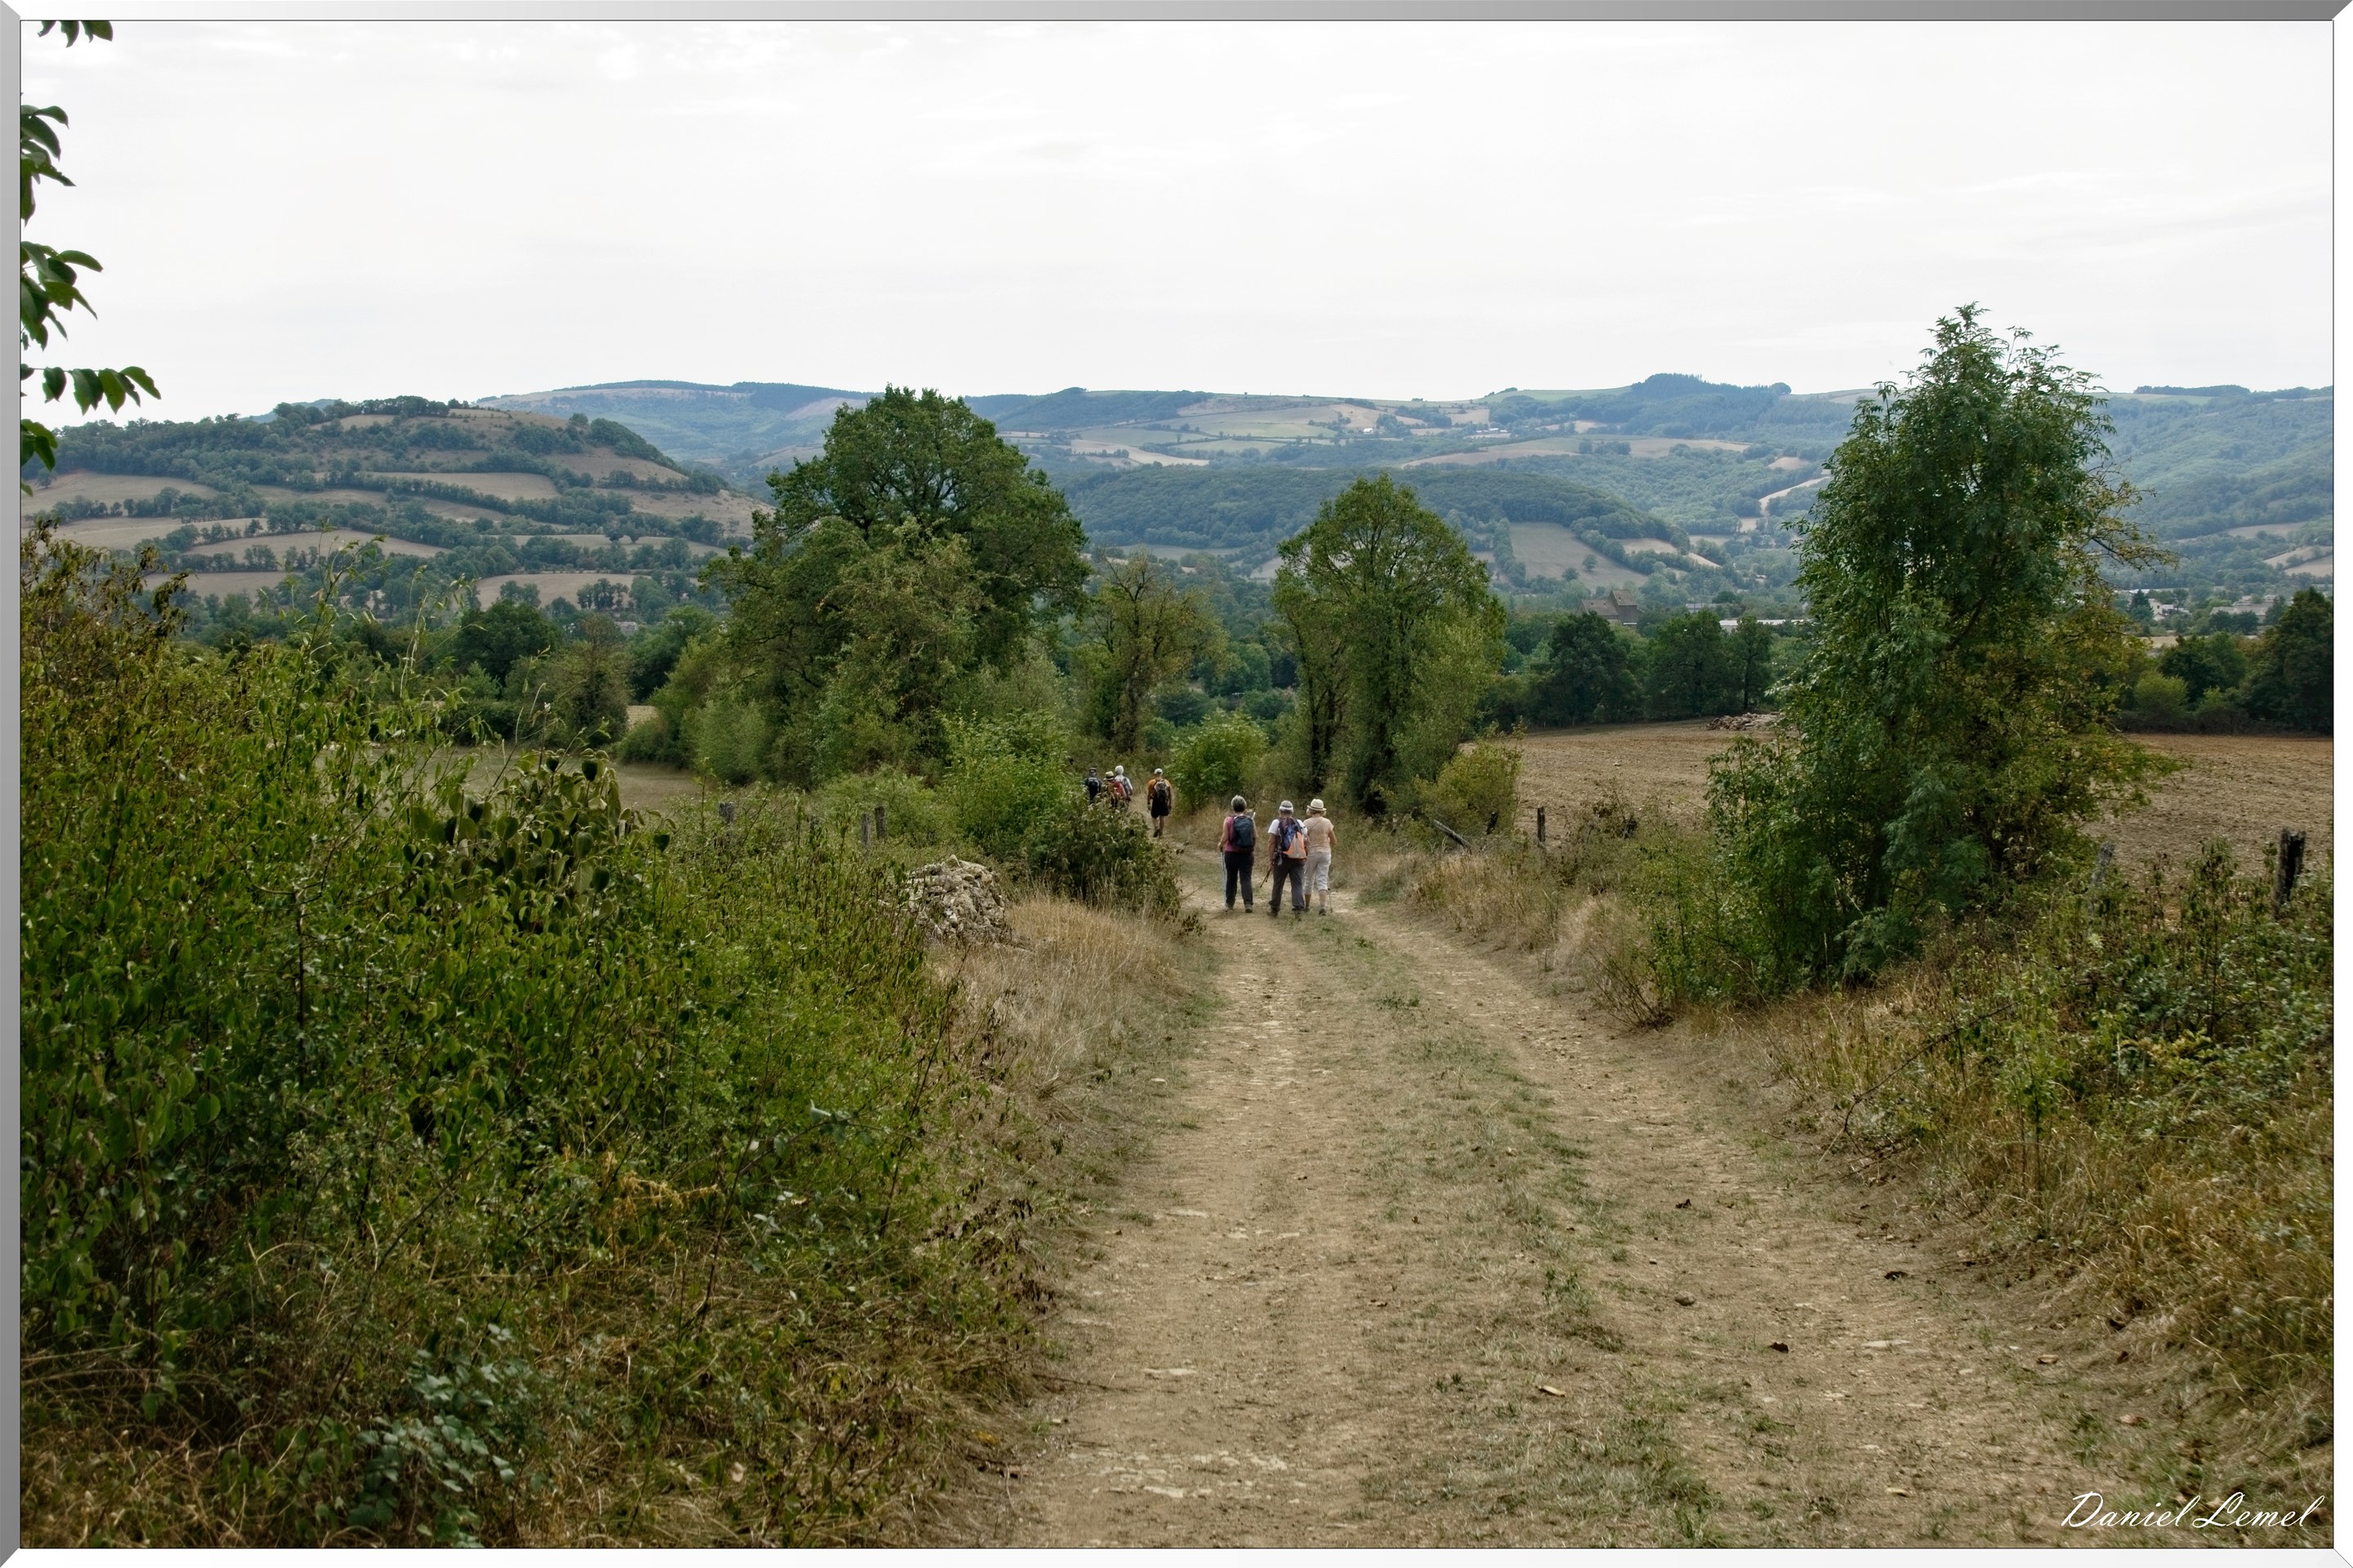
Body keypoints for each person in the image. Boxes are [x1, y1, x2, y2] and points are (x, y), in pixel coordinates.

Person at [1266, 799, 1307, 918]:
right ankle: (1298, 910)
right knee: (1297, 884)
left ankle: (1274, 909)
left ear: (1280, 811)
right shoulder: (1299, 822)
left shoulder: (1276, 823)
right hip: (1298, 858)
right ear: (1292, 811)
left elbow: (1271, 842)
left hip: (1282, 858)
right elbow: (1306, 839)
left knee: (1278, 884)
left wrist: (1271, 860)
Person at [1220, 795, 1257, 911]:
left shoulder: (1228, 820)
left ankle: (1229, 904)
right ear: (1244, 807)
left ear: (1233, 807)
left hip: (1232, 853)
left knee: (1232, 878)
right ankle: (1248, 904)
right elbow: (1255, 836)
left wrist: (1220, 845)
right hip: (1247, 854)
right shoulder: (1250, 820)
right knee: (1246, 878)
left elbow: (1225, 838)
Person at [1302, 797, 1337, 915]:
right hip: (1325, 853)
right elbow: (1334, 841)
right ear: (1321, 811)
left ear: (1311, 810)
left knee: (1309, 879)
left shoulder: (1306, 823)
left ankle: (1306, 906)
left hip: (1311, 853)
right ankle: (1322, 907)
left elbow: (1303, 840)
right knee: (1322, 879)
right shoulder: (1327, 822)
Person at [1147, 767, 1173, 837]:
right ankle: (1161, 834)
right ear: (1161, 774)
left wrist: (1148, 803)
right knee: (1162, 817)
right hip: (1164, 802)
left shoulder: (1152, 782)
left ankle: (1156, 827)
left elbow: (1149, 794)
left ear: (1155, 774)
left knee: (1154, 816)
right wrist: (1170, 804)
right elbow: (1170, 794)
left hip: (1156, 802)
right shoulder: (1167, 782)